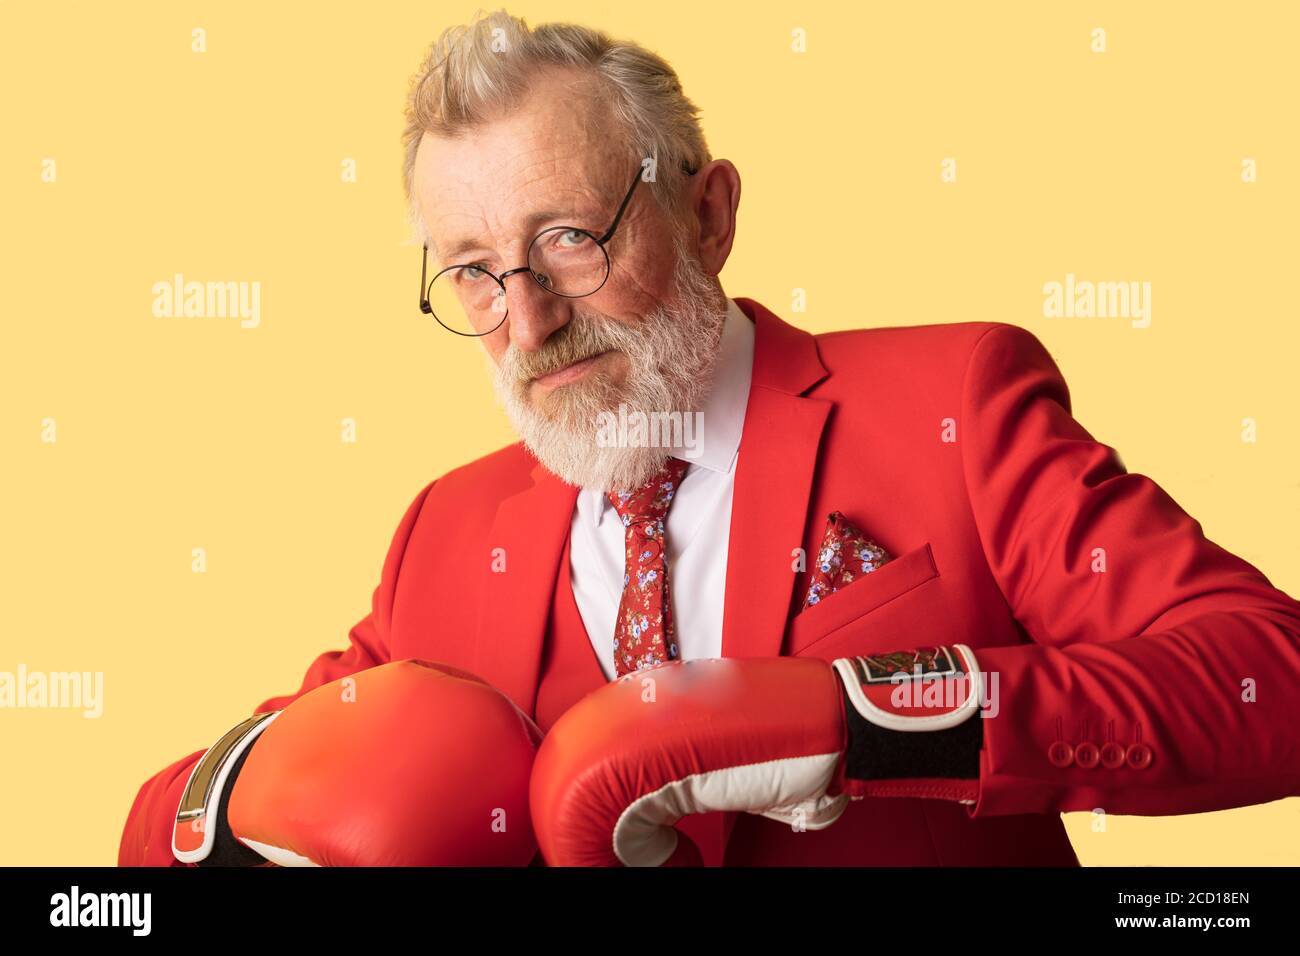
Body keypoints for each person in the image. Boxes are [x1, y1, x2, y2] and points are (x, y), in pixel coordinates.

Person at [119, 9, 1300, 867]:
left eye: (572, 239)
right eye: (475, 273)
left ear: (710, 212)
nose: (526, 320)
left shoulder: (955, 400)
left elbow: (1267, 678)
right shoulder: (447, 530)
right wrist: (237, 824)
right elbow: (160, 825)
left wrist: (859, 719)